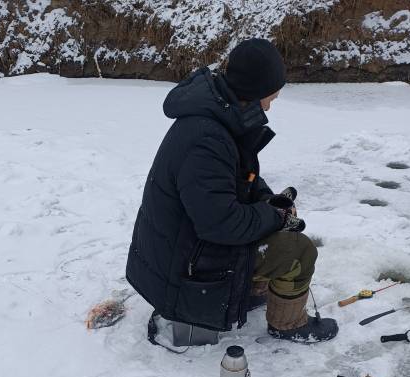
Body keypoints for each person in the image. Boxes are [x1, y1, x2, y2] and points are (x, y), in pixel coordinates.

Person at [125, 38, 338, 344]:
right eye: (271, 97)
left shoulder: (215, 116)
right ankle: (288, 325)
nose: (271, 104)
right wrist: (275, 217)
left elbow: (239, 176)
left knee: (271, 233)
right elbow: (222, 225)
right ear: (254, 91)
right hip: (182, 275)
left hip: (181, 255)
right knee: (299, 250)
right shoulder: (207, 140)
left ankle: (247, 289)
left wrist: (267, 199)